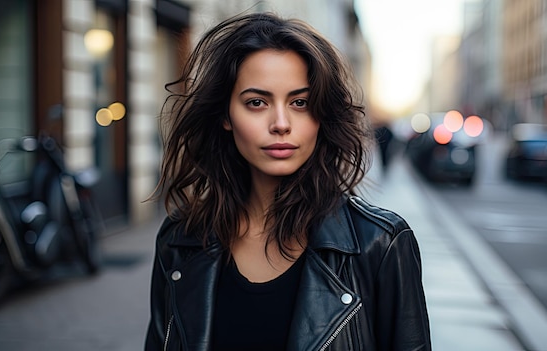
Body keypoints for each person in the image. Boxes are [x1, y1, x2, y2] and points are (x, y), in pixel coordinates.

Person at [145, 12, 431, 351]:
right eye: (256, 102)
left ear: (321, 115)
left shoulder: (381, 245)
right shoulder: (179, 241)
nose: (281, 123)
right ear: (225, 115)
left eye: (300, 103)